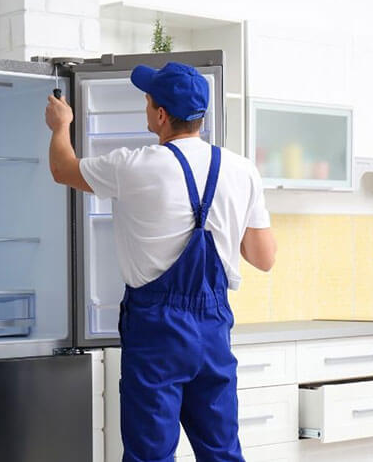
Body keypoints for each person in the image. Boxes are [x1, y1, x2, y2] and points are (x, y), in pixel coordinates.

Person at [45, 61, 277, 462]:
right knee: (221, 453)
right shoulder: (242, 170)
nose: (146, 106)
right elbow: (263, 257)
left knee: (150, 455)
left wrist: (60, 124)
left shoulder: (133, 165)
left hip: (156, 332)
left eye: (148, 99)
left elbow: (62, 169)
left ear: (161, 115)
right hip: (213, 330)